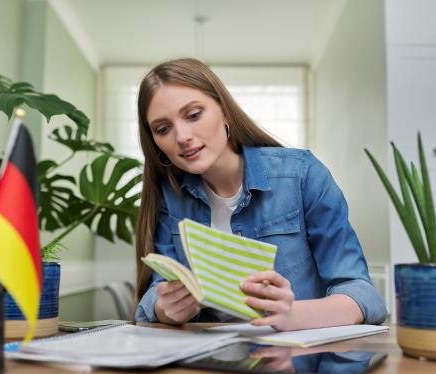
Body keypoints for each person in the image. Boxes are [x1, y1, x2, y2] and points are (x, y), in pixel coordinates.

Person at [134, 58, 387, 331]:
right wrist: (167, 308)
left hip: (297, 362)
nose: (182, 136)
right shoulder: (171, 197)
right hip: (208, 362)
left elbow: (363, 295)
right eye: (163, 128)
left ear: (224, 111)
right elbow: (154, 296)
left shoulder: (302, 174)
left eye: (194, 115)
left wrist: (295, 316)